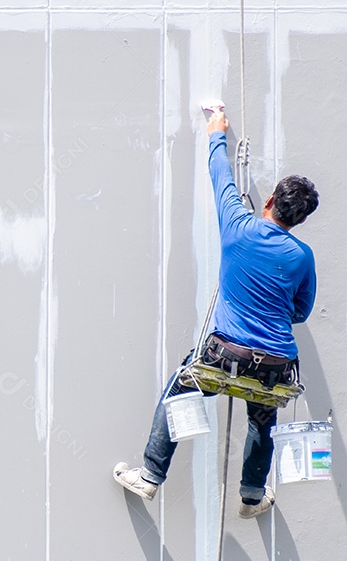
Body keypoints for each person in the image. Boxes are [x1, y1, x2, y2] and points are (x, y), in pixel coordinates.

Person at [114, 109, 319, 517]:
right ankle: (250, 496)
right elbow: (300, 311)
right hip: (276, 365)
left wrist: (216, 130)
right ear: (300, 220)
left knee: (179, 390)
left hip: (226, 354)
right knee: (262, 420)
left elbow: (220, 175)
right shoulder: (302, 256)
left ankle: (151, 476)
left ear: (269, 201)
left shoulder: (238, 226)